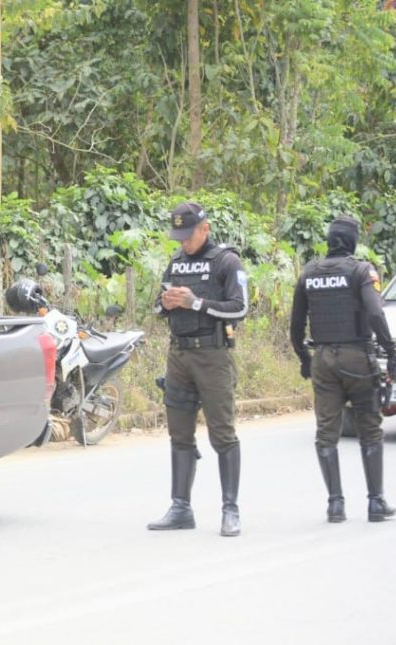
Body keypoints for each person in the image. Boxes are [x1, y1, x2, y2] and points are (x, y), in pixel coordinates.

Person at [289, 216, 396, 523]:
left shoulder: (309, 273)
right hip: (357, 358)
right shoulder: (362, 271)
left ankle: (335, 505)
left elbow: (295, 326)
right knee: (369, 428)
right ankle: (376, 502)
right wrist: (391, 353)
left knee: (326, 433)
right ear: (352, 241)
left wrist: (304, 359)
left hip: (323, 359)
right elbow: (375, 313)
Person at [148, 202, 248, 537]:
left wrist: (197, 303)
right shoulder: (176, 262)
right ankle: (180, 508)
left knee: (222, 434)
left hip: (213, 356)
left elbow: (240, 308)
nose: (183, 242)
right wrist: (164, 304)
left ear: (205, 229)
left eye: (187, 235)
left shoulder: (226, 262)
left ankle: (230, 510)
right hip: (178, 355)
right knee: (179, 433)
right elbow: (157, 305)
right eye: (178, 236)